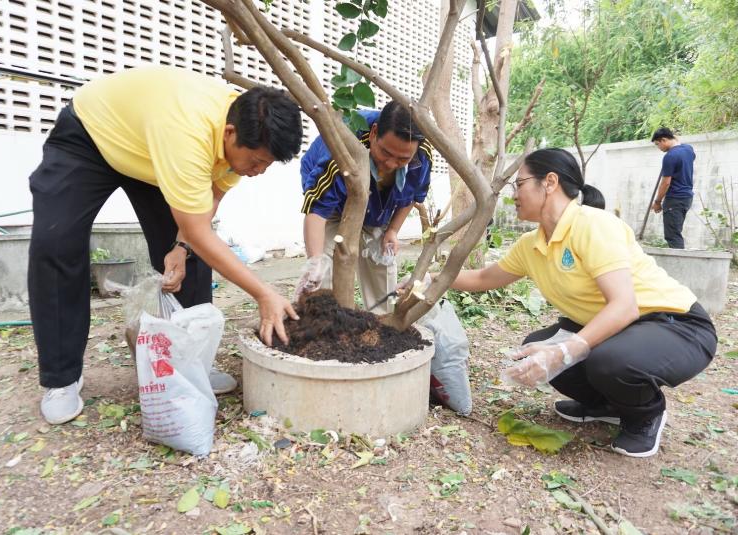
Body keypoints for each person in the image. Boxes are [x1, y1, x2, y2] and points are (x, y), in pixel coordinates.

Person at [28, 66, 303, 425]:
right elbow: (201, 231)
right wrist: (263, 293)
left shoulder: (242, 134)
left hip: (154, 151)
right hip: (93, 135)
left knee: (193, 257)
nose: (258, 171)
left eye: (266, 164)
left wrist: (181, 248)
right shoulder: (188, 133)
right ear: (229, 134)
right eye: (256, 162)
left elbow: (208, 203)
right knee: (56, 241)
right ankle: (62, 378)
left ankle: (192, 363)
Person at [445, 148, 717, 457]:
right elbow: (483, 278)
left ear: (550, 182)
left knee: (607, 360)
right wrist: (429, 280)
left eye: (519, 184)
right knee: (535, 347)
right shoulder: (531, 244)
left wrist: (563, 351)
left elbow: (624, 306)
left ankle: (646, 415)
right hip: (623, 329)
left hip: (675, 325)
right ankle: (607, 406)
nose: (514, 195)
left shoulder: (593, 225)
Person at [295, 100, 433, 312]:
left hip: (379, 207)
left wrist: (393, 230)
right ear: (374, 133)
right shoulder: (342, 148)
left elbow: (413, 195)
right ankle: (323, 318)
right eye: (386, 153)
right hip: (333, 206)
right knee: (322, 271)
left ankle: (382, 320)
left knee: (381, 262)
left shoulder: (421, 153)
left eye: (402, 159)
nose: (391, 164)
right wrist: (314, 262)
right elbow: (318, 210)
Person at [651, 127, 696, 248]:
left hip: (674, 199)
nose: (658, 147)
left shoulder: (670, 156)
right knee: (676, 232)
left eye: (657, 144)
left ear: (664, 140)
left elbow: (666, 183)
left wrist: (657, 202)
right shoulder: (688, 149)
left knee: (673, 236)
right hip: (686, 198)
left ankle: (679, 260)